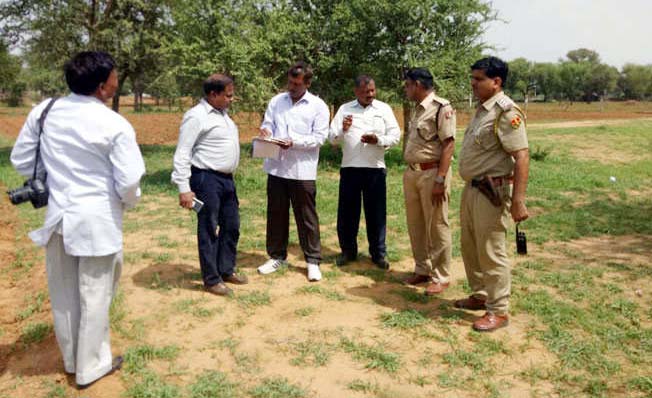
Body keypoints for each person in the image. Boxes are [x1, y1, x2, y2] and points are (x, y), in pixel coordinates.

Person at [10, 51, 145, 388]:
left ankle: (72, 361)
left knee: (64, 291)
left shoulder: (45, 110)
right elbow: (129, 181)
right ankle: (92, 366)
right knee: (96, 292)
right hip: (97, 219)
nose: (117, 80)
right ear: (103, 86)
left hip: (58, 216)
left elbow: (22, 159)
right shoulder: (114, 124)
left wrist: (53, 182)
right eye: (114, 75)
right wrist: (127, 203)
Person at [455, 56, 529, 332]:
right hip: (473, 188)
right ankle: (480, 295)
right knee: (470, 244)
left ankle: (499, 310)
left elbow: (521, 155)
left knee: (491, 249)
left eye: (478, 79)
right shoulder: (483, 110)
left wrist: (518, 201)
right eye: (472, 78)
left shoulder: (506, 112)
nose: (472, 84)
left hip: (492, 191)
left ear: (496, 82)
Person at [171, 74, 246, 297]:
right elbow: (183, 152)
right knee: (208, 227)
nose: (232, 99)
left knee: (231, 225)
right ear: (213, 94)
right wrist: (183, 187)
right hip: (206, 179)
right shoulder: (196, 116)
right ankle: (211, 279)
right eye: (228, 95)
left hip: (226, 180)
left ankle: (226, 269)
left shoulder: (223, 115)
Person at [256, 61, 330, 281]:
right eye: (289, 82)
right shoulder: (277, 101)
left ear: (307, 83)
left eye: (296, 84)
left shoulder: (318, 106)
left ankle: (312, 261)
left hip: (302, 171)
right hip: (276, 167)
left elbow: (320, 137)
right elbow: (268, 123)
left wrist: (294, 142)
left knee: (306, 217)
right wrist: (266, 131)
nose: (291, 87)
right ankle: (277, 256)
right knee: (276, 213)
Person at [329, 75, 400, 269]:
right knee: (347, 213)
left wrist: (377, 139)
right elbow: (332, 138)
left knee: (376, 213)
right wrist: (343, 130)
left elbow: (395, 135)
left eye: (372, 90)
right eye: (365, 91)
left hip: (375, 170)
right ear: (356, 92)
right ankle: (348, 252)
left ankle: (378, 254)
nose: (370, 94)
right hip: (350, 168)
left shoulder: (383, 109)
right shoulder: (344, 109)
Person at [401, 68, 457, 296]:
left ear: (417, 84)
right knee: (416, 223)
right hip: (413, 173)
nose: (405, 90)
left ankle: (441, 276)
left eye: (407, 85)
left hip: (432, 173)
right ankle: (422, 268)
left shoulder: (441, 108)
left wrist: (441, 179)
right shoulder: (418, 110)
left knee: (437, 224)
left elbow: (449, 145)